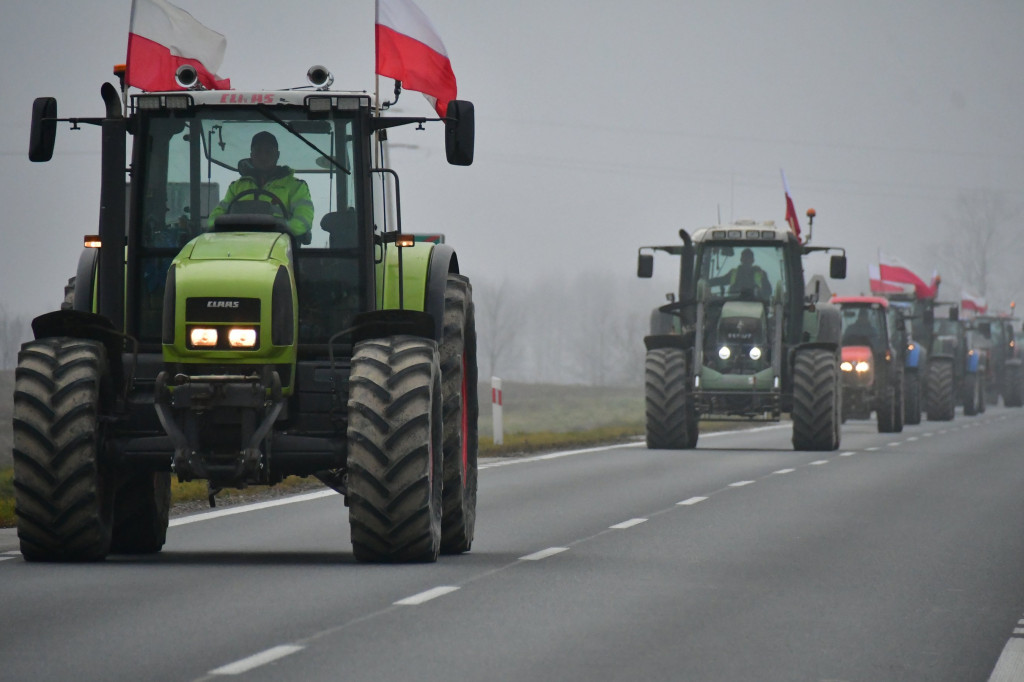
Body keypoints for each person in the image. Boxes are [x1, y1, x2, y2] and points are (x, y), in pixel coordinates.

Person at [208, 131, 314, 241]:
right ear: (251, 155)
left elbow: (303, 221)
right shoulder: (236, 187)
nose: (263, 156)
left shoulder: (296, 187)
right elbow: (214, 220)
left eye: (268, 151)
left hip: (280, 249)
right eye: (258, 151)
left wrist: (280, 230)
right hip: (238, 246)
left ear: (277, 155)